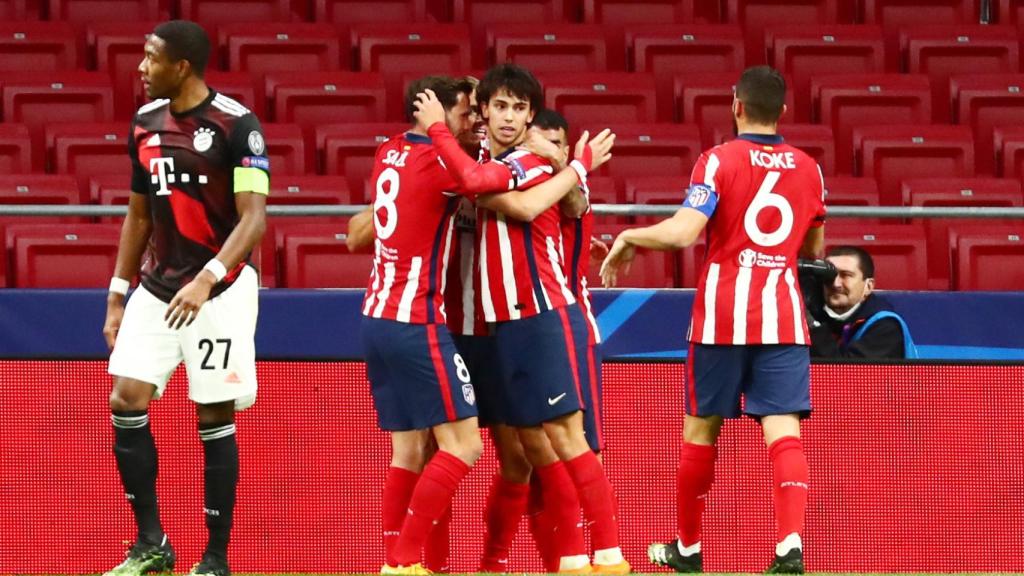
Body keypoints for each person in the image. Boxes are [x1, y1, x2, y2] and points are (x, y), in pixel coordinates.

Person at [601, 65, 826, 574]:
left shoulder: (717, 161)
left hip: (722, 316)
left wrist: (631, 236)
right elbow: (812, 245)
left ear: (736, 105)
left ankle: (688, 548)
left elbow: (684, 233)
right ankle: (790, 546)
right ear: (782, 112)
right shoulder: (809, 168)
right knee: (783, 429)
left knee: (702, 431)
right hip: (782, 317)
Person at [415, 63, 628, 574]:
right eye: (499, 106)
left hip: (539, 314)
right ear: (482, 112)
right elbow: (479, 185)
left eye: (518, 108)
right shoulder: (478, 161)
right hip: (482, 324)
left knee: (556, 441)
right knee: (527, 440)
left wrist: (571, 168)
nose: (508, 116)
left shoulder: (530, 160)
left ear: (530, 116)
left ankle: (598, 556)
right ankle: (508, 562)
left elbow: (527, 202)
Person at [102, 20, 268, 576]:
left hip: (220, 288)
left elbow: (254, 221)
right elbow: (139, 213)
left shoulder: (238, 125)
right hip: (161, 285)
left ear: (183, 67)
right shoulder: (144, 124)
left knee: (212, 414)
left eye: (152, 59)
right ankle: (151, 544)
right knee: (126, 398)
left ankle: (215, 557)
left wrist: (210, 276)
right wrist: (118, 294)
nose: (142, 69)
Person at [808, 246, 916, 359]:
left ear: (868, 286)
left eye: (846, 275)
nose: (836, 284)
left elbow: (845, 373)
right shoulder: (814, 313)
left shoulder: (886, 326)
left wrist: (813, 327)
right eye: (829, 275)